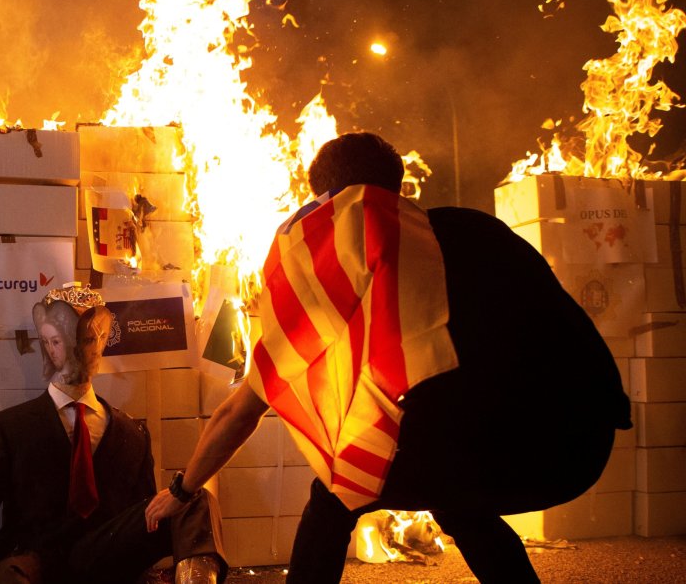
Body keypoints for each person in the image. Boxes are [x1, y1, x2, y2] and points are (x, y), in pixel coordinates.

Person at [145, 132, 632, 583]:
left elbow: (242, 408)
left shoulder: (351, 260)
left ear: (329, 203)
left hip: (500, 451)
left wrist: (182, 490)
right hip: (580, 445)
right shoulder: (477, 227)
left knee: (337, 490)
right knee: (455, 493)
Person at [0, 284, 228, 584]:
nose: (77, 350)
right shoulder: (10, 428)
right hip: (29, 564)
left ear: (103, 342)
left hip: (102, 558)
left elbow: (145, 521)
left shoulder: (133, 434)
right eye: (62, 340)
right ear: (48, 344)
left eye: (89, 339)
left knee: (191, 495)